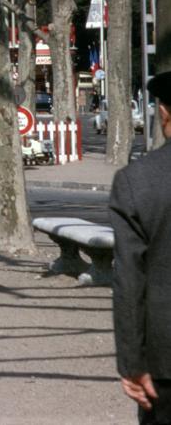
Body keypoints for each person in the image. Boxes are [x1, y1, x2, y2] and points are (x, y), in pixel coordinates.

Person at [110, 71, 171, 423]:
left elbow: (129, 281)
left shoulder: (136, 181)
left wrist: (131, 362)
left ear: (163, 112)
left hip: (165, 360)